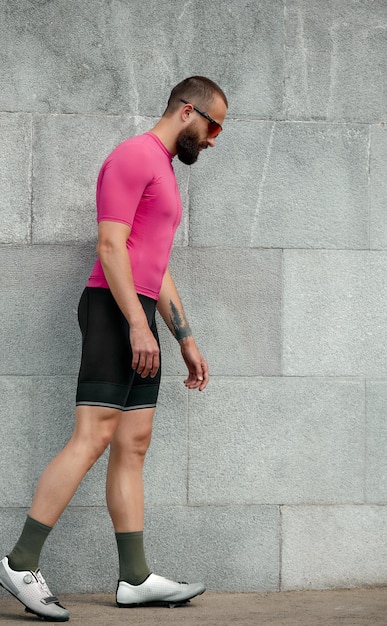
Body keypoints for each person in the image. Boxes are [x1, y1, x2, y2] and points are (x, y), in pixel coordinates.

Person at [0, 76, 228, 622]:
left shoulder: (165, 171)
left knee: (134, 442)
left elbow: (155, 261)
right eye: (213, 125)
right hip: (112, 309)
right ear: (187, 111)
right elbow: (109, 246)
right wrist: (134, 323)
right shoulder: (132, 157)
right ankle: (20, 561)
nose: (215, 138)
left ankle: (134, 576)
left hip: (139, 312)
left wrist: (184, 336)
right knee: (95, 433)